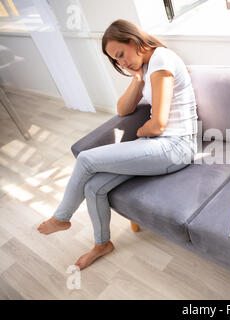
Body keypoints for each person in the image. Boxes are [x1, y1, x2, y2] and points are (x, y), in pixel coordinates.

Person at [37, 19, 198, 270]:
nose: (121, 63)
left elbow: (158, 125)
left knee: (86, 159)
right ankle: (102, 244)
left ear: (133, 42)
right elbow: (123, 110)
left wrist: (145, 130)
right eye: (115, 60)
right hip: (161, 146)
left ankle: (62, 217)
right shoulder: (147, 66)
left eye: (121, 54)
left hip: (178, 146)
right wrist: (136, 79)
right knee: (93, 187)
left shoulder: (161, 60)